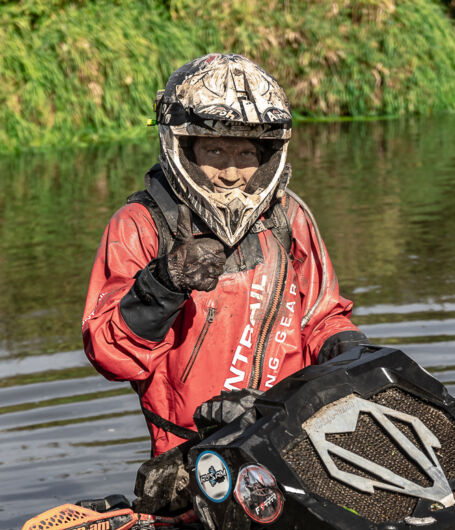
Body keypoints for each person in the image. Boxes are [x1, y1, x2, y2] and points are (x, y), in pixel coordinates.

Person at [81, 53, 366, 462]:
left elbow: (320, 318)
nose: (231, 174)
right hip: (194, 453)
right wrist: (164, 283)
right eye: (214, 151)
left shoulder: (287, 216)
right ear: (185, 148)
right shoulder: (141, 226)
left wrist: (348, 347)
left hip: (292, 435)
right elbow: (111, 355)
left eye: (246, 155)